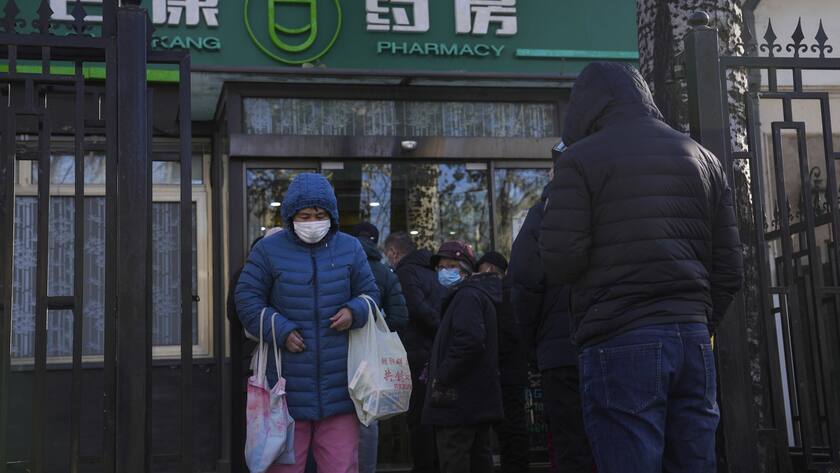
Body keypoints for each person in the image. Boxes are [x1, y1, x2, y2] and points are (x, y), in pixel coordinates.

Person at [539, 62, 744, 472]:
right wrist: (700, 321)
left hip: (619, 338)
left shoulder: (579, 161)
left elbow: (561, 259)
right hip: (692, 339)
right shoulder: (703, 158)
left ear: (585, 106)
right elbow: (730, 267)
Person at [235, 173, 381, 473]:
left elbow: (371, 294)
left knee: (341, 467)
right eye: (304, 215)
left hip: (342, 386)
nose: (313, 221)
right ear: (290, 216)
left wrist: (355, 311)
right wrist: (281, 330)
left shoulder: (351, 248)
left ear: (332, 215)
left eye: (320, 214)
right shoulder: (268, 250)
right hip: (284, 393)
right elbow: (246, 299)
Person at [510, 171, 594, 472]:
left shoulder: (543, 213)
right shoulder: (609, 201)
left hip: (560, 353)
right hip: (612, 341)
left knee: (570, 444)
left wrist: (533, 345)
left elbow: (523, 284)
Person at [422, 241, 504, 473]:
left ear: (464, 269)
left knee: (456, 459)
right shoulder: (471, 296)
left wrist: (442, 376)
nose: (443, 272)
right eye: (440, 267)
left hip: (458, 402)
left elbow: (469, 341)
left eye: (449, 266)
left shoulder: (467, 297)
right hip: (472, 399)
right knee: (478, 459)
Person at [383, 232, 445, 473]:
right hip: (435, 352)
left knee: (419, 416)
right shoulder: (431, 270)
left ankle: (425, 465)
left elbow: (416, 309)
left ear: (394, 254)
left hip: (417, 352)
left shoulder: (405, 273)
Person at [350, 222, 409, 473]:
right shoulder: (385, 272)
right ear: (375, 242)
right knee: (367, 415)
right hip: (370, 357)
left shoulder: (340, 265)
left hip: (339, 353)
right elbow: (400, 317)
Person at [475, 251, 530, 473]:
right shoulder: (509, 293)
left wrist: (492, 362)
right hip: (510, 372)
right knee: (511, 429)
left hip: (505, 374)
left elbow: (506, 335)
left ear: (488, 270)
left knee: (510, 430)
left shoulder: (501, 295)